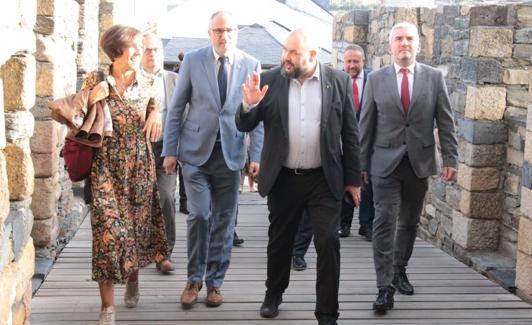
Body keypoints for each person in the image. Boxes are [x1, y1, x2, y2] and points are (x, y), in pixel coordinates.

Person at [236, 27, 361, 325]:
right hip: (284, 178)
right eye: (285, 50)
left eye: (294, 52)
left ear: (313, 55)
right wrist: (250, 104)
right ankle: (273, 294)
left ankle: (327, 312)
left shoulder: (339, 82)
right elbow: (244, 124)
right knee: (280, 241)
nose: (286, 58)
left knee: (329, 241)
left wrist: (353, 179)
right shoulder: (269, 80)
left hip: (324, 177)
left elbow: (350, 134)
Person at [162, 11, 263, 309]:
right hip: (194, 154)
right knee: (200, 215)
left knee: (223, 221)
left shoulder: (251, 63)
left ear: (237, 32)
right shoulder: (193, 61)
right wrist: (170, 150)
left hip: (230, 156)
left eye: (229, 29)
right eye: (218, 30)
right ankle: (193, 278)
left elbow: (257, 117)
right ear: (209, 33)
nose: (224, 35)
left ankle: (214, 283)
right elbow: (176, 108)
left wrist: (255, 155)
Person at [358, 22, 458, 312]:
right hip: (383, 163)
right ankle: (384, 287)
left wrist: (451, 158)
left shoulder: (434, 78)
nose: (404, 43)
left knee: (409, 223)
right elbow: (366, 124)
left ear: (418, 45)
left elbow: (446, 121)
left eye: (409, 39)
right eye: (398, 39)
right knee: (384, 221)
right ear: (390, 47)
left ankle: (399, 268)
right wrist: (361, 164)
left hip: (419, 162)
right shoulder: (376, 79)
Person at [84, 25, 168, 325]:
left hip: (138, 167)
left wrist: (156, 112)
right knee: (107, 234)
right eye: (135, 46)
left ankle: (132, 278)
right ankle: (107, 307)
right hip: (105, 166)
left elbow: (155, 103)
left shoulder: (147, 80)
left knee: (133, 231)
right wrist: (95, 96)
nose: (140, 51)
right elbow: (77, 117)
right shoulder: (95, 78)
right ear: (118, 49)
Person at [141, 33, 178, 274]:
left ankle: (164, 253)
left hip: (166, 148)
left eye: (155, 49)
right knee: (140, 200)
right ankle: (141, 249)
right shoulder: (131, 80)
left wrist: (175, 150)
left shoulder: (175, 80)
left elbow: (182, 115)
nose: (152, 53)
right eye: (146, 49)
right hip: (137, 150)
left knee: (165, 197)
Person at [339, 44, 374, 241]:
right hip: (343, 143)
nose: (352, 65)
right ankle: (343, 224)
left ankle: (366, 225)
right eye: (349, 61)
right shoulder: (337, 80)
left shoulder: (374, 80)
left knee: (367, 184)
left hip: (368, 143)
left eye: (356, 61)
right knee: (346, 181)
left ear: (363, 62)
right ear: (343, 63)